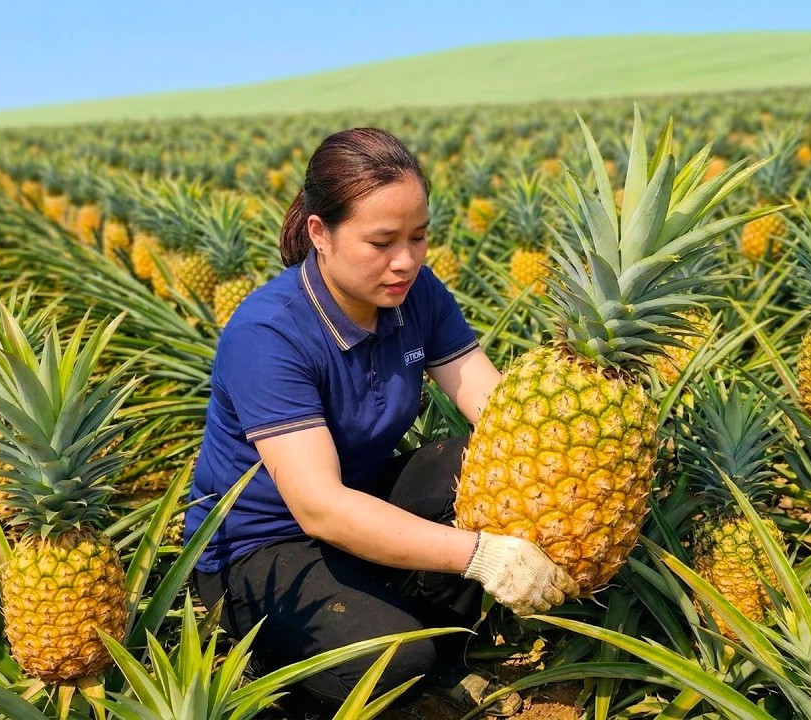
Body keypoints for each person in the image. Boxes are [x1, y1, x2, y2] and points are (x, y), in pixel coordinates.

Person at [184, 127, 578, 712]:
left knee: (466, 463)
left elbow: (496, 415)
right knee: (397, 659)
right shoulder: (268, 333)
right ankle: (286, 654)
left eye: (419, 237)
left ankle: (444, 640)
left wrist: (572, 465)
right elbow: (319, 507)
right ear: (320, 233)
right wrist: (481, 554)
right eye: (382, 242)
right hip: (254, 551)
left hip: (358, 502)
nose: (407, 261)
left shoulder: (415, 292)